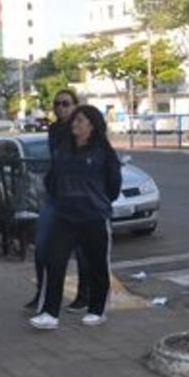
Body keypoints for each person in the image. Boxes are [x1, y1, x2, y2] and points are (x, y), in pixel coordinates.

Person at [31, 104, 122, 330]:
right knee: (55, 262)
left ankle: (97, 309)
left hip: (94, 216)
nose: (75, 124)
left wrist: (98, 202)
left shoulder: (103, 152)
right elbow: (51, 180)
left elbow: (114, 184)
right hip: (65, 216)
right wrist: (62, 199)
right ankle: (49, 313)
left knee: (97, 265)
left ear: (92, 125)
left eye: (80, 121)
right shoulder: (64, 150)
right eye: (74, 121)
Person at [24, 90, 85, 312]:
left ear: (75, 105)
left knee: (82, 249)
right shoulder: (54, 129)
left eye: (66, 104)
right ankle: (42, 292)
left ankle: (84, 294)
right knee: (42, 246)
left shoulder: (83, 129)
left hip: (78, 196)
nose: (60, 108)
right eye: (56, 104)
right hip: (55, 194)